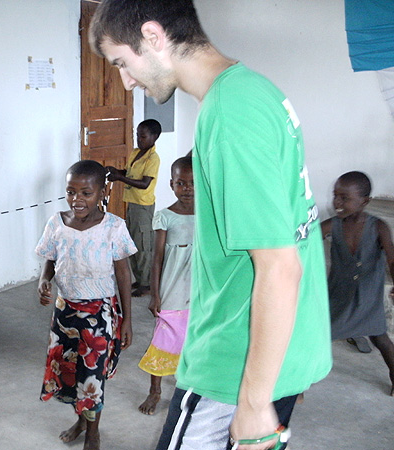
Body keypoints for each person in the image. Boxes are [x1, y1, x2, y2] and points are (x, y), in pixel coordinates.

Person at [90, 2, 332, 449]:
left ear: (154, 36)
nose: (125, 80)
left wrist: (255, 402)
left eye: (123, 63)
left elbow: (280, 267)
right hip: (272, 351)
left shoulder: (230, 113)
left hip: (236, 363)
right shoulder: (253, 92)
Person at [36, 160, 137, 450]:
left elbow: (122, 273)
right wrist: (44, 280)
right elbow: (51, 258)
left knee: (92, 377)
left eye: (86, 193)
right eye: (70, 192)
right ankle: (81, 420)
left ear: (103, 192)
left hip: (100, 315)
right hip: (65, 312)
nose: (77, 199)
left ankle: (93, 432)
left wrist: (127, 319)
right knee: (69, 372)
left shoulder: (114, 227)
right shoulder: (57, 222)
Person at [321, 171, 394, 395]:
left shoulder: (378, 226)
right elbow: (306, 243)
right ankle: (300, 383)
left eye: (345, 198)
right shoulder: (333, 225)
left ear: (365, 201)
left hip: (367, 294)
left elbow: (392, 258)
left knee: (380, 337)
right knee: (321, 334)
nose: (337, 202)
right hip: (339, 292)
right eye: (335, 196)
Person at [138, 156, 194, 416]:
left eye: (193, 183)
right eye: (181, 183)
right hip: (172, 290)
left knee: (194, 340)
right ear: (171, 184)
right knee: (164, 338)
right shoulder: (165, 217)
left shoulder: (209, 215)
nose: (188, 188)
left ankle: (193, 388)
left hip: (199, 293)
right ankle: (155, 391)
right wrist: (155, 294)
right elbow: (157, 259)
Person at [106, 119, 161, 297]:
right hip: (131, 203)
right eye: (137, 135)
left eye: (143, 136)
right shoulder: (136, 153)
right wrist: (117, 172)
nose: (139, 139)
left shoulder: (153, 158)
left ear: (155, 137)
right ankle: (140, 279)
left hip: (143, 206)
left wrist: (120, 179)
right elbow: (129, 174)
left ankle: (147, 283)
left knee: (143, 245)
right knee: (132, 243)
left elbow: (144, 183)